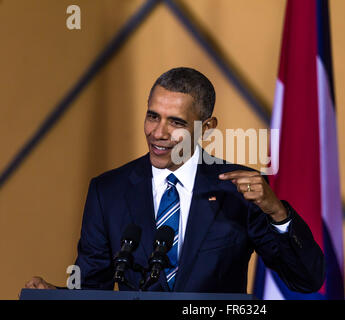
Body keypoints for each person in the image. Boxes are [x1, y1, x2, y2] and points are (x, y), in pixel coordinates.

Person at [25, 67, 325, 293]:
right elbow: (93, 288)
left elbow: (306, 280)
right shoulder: (108, 191)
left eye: (176, 122)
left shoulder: (237, 189)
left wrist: (277, 213)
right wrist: (57, 296)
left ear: (207, 127)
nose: (158, 133)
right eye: (153, 116)